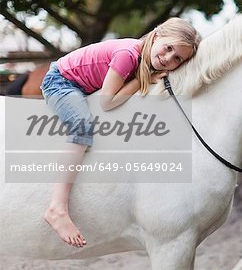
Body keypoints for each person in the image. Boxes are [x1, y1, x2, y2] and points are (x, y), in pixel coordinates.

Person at [40, 17, 201, 248]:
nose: (168, 59)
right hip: (62, 82)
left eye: (177, 58)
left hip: (83, 86)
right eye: (168, 48)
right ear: (156, 36)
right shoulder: (128, 55)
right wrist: (139, 81)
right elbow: (107, 102)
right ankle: (57, 207)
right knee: (82, 127)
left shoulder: (145, 59)